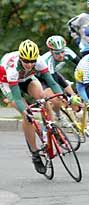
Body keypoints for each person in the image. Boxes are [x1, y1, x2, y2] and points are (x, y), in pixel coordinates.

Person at [0, 40, 64, 174]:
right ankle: (35, 153)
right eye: (26, 61)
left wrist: (61, 95)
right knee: (27, 114)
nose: (29, 64)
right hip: (9, 84)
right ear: (21, 59)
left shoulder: (39, 61)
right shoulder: (12, 69)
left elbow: (51, 82)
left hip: (27, 79)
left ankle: (51, 127)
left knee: (43, 98)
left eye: (32, 61)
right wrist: (25, 111)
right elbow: (17, 98)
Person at [40, 35, 82, 127]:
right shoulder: (48, 61)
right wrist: (63, 95)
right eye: (57, 53)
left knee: (73, 95)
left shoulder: (68, 51)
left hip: (54, 73)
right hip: (41, 78)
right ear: (51, 51)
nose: (61, 55)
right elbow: (52, 82)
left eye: (62, 52)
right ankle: (59, 117)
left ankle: (78, 117)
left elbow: (82, 64)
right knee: (56, 99)